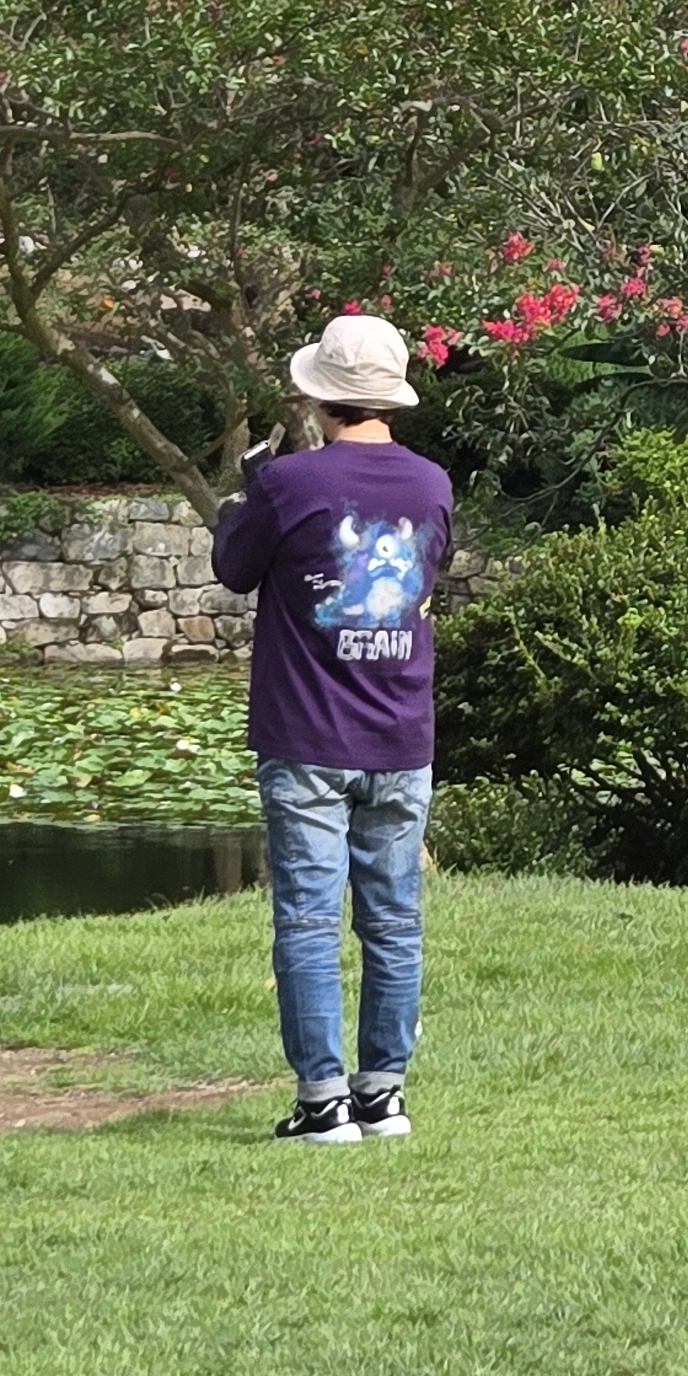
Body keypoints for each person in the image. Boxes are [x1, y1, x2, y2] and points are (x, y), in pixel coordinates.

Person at [210, 314, 452, 1144]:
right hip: (401, 733)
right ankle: (384, 1094)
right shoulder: (432, 485)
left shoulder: (288, 484)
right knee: (393, 922)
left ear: (318, 397)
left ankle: (322, 1103)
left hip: (308, 735)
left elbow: (233, 569)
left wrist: (243, 499)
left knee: (310, 922)